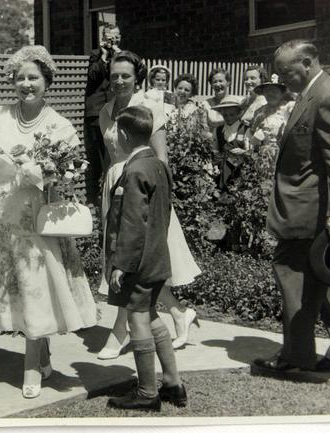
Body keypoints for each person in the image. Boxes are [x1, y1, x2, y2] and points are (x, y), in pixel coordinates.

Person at [0, 45, 97, 399]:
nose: (26, 83)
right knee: (21, 293)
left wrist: (40, 174)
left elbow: (68, 173)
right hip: (3, 219)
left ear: (47, 80)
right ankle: (42, 351)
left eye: (33, 77)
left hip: (38, 220)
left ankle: (32, 365)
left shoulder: (59, 125)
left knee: (37, 289)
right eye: (20, 77)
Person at [253, 40, 330, 375]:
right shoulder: (310, 93)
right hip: (313, 211)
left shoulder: (326, 96)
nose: (282, 79)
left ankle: (296, 356)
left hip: (312, 214)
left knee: (292, 277)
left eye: (287, 72)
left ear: (306, 62)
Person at [96, 51, 200, 359]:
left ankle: (119, 331)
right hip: (114, 188)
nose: (119, 81)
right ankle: (180, 313)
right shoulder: (105, 111)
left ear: (137, 77)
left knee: (138, 260)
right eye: (114, 76)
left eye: (125, 76)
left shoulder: (151, 107)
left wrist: (159, 204)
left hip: (143, 188)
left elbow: (162, 160)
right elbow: (110, 156)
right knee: (126, 259)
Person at [106, 105, 187, 411]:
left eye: (116, 131)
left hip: (137, 260)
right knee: (151, 316)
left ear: (124, 134)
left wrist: (121, 265)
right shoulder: (157, 165)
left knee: (138, 319)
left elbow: (132, 222)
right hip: (156, 255)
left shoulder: (136, 169)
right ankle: (173, 383)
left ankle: (146, 392)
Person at [83, 24, 122, 204]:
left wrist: (118, 53)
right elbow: (92, 76)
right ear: (102, 38)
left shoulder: (122, 56)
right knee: (98, 157)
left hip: (117, 110)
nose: (112, 40)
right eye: (108, 37)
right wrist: (104, 57)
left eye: (115, 37)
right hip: (97, 112)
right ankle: (97, 198)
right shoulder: (95, 55)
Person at [245, 74, 295, 178]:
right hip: (264, 157)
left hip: (285, 155)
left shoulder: (289, 108)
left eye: (274, 91)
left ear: (282, 92)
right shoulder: (260, 111)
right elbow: (251, 133)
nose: (270, 94)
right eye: (267, 91)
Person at [212, 95, 249, 191]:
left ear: (239, 113)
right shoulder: (218, 130)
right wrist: (215, 166)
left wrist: (243, 151)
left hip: (239, 172)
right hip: (221, 172)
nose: (228, 118)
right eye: (225, 115)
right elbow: (215, 149)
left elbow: (250, 151)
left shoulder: (245, 129)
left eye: (232, 114)